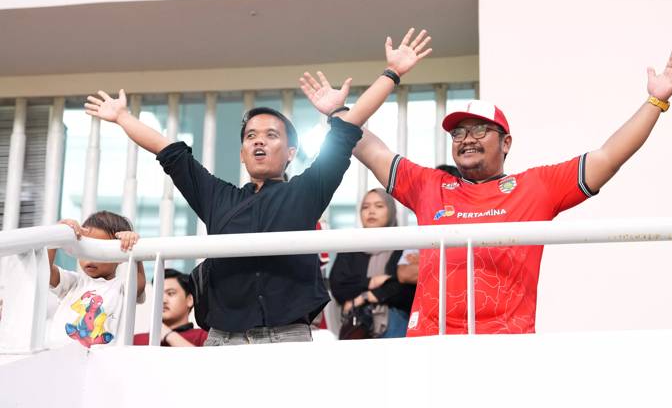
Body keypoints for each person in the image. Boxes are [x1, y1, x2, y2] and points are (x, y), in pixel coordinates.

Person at [302, 46, 672, 336]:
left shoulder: (535, 187)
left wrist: (656, 101)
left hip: (507, 348)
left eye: (478, 130)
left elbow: (608, 157)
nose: (466, 139)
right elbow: (370, 147)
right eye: (458, 133)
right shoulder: (430, 185)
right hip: (427, 346)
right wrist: (337, 112)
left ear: (506, 143)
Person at [84, 28, 432, 345]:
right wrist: (123, 117)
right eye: (251, 136)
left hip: (288, 338)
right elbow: (170, 152)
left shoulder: (305, 192)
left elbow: (346, 132)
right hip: (222, 339)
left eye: (271, 135)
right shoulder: (218, 197)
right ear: (241, 152)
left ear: (291, 152)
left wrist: (392, 73)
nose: (259, 142)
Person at [47, 211, 146, 348]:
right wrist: (58, 233)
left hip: (102, 362)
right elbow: (46, 271)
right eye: (86, 249)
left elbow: (139, 282)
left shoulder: (122, 287)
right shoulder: (73, 283)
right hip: (61, 356)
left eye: (99, 250)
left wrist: (133, 248)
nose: (90, 257)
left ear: (120, 256)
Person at [330, 188, 416, 339]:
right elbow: (339, 286)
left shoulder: (404, 243)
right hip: (358, 324)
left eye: (379, 206)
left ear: (391, 210)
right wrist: (373, 281)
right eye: (365, 207)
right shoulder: (350, 247)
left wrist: (365, 296)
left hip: (396, 324)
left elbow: (406, 289)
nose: (371, 211)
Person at [396, 165, 460, 284]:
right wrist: (455, 262)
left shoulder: (470, 227)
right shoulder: (420, 232)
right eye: (435, 190)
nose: (439, 197)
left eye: (446, 190)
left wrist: (424, 261)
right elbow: (404, 274)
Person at [134, 269, 208, 347]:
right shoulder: (136, 340)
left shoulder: (204, 337)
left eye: (170, 293)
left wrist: (169, 335)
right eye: (159, 294)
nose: (163, 300)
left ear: (190, 300)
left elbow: (205, 359)